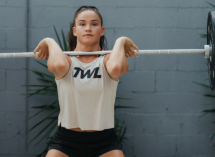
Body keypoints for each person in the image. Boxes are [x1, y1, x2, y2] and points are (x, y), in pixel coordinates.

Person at [33, 5, 139, 157]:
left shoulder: (107, 61)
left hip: (105, 140)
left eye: (94, 24)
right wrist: (49, 41)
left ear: (102, 31)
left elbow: (116, 68)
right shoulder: (66, 61)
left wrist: (121, 41)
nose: (88, 28)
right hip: (67, 140)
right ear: (74, 31)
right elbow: (58, 65)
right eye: (82, 24)